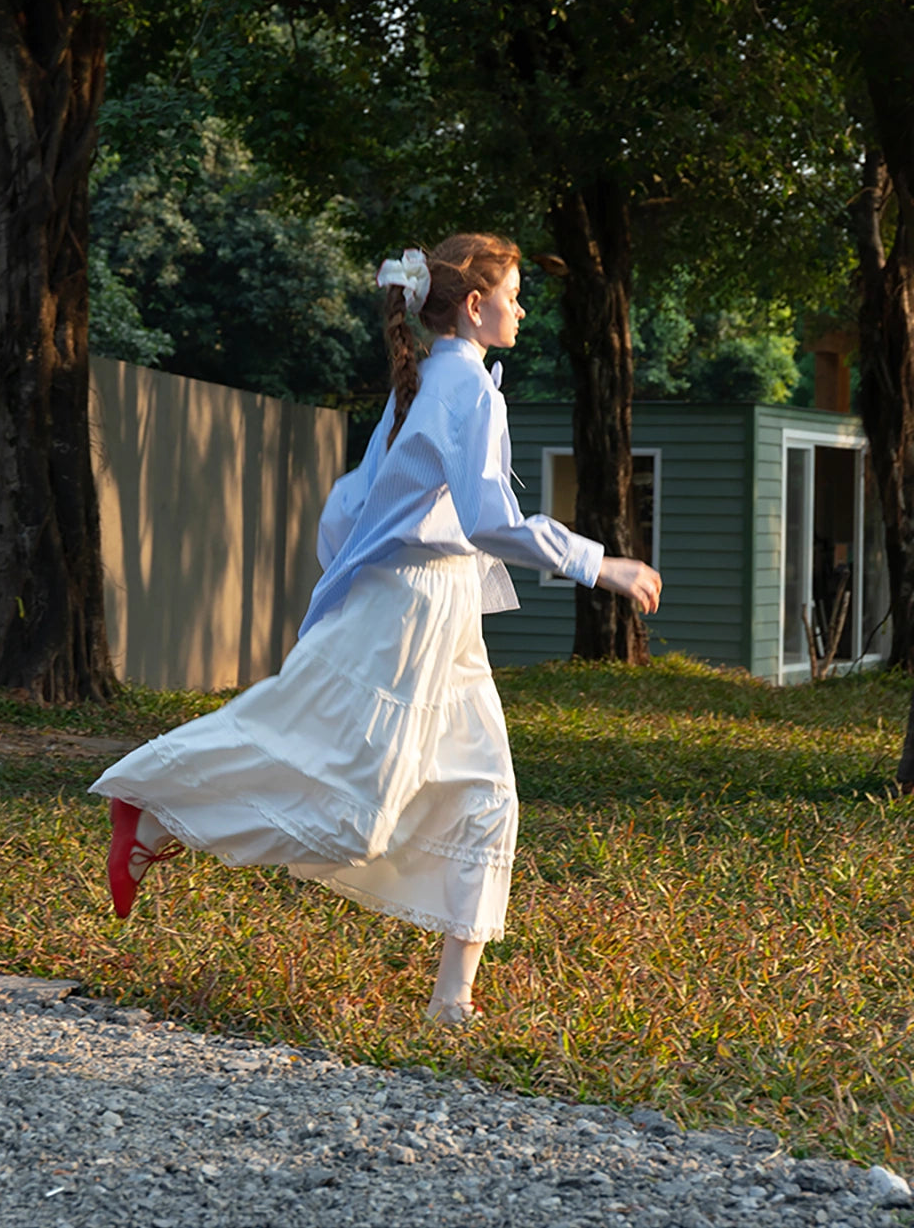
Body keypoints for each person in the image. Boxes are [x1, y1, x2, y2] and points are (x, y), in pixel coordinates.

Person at [89, 233, 661, 1022]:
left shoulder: (423, 380)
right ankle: (151, 808)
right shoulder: (460, 389)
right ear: (473, 304)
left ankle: (452, 1004)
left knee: (485, 790)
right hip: (413, 611)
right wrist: (600, 566)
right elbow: (488, 517)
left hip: (439, 606)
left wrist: (356, 578)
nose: (522, 308)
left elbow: (351, 504)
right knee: (356, 811)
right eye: (514, 294)